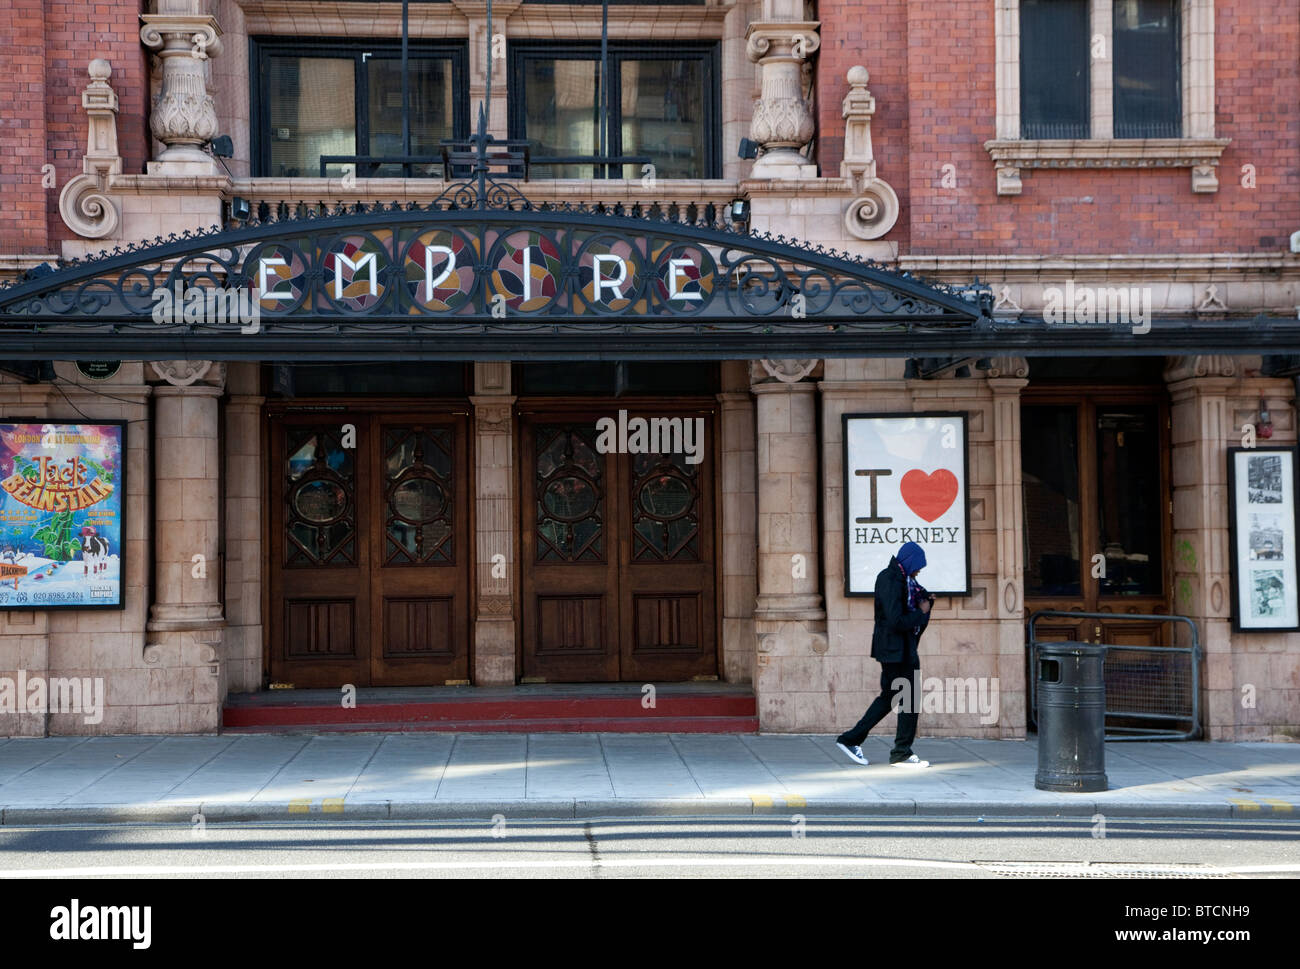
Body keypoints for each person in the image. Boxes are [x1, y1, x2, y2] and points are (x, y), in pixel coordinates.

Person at [835, 541, 933, 768]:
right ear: (909, 562)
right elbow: (896, 620)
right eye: (918, 566)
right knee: (907, 699)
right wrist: (920, 613)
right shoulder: (890, 580)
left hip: (901, 649)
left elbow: (915, 605)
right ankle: (901, 753)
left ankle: (851, 739)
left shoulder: (906, 581)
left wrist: (926, 604)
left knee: (891, 697)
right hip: (894, 651)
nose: (919, 571)